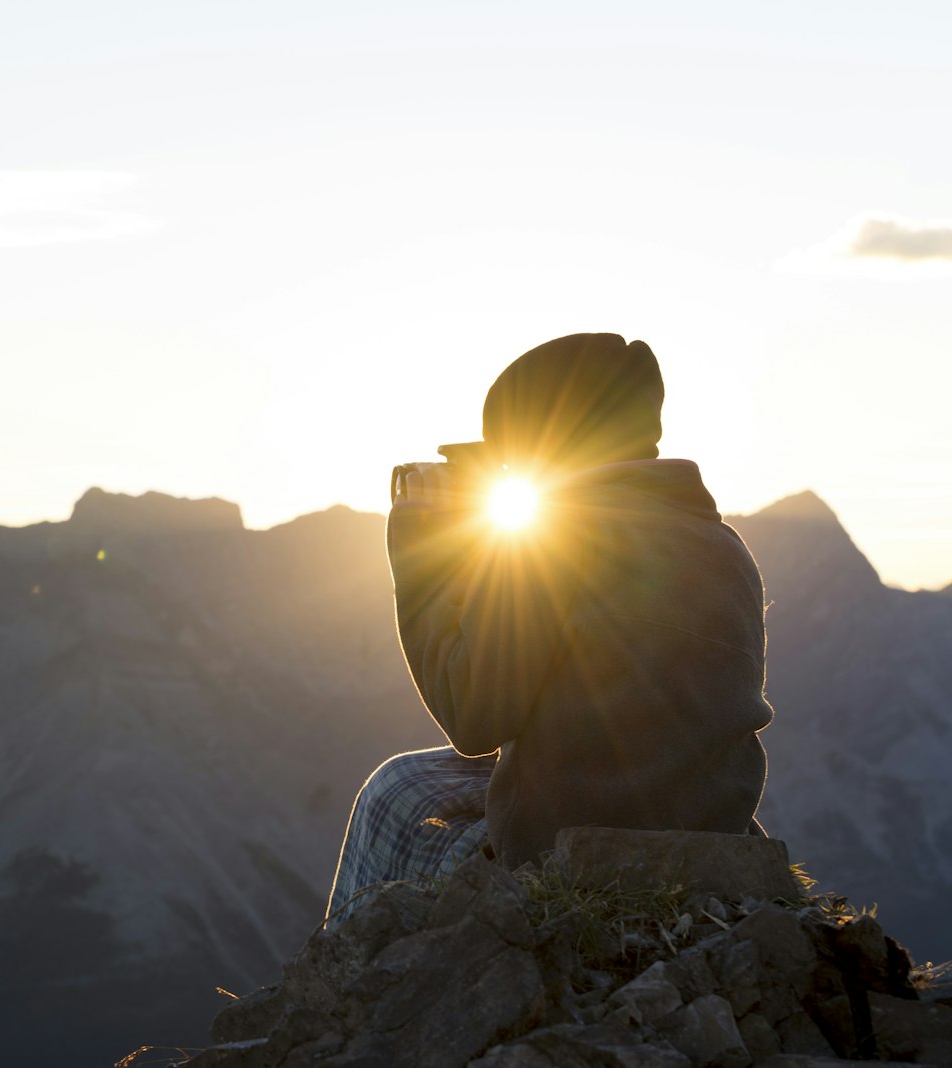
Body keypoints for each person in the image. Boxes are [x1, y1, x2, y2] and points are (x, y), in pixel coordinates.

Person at [326, 332, 773, 925]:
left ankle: (347, 990)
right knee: (423, 775)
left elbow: (473, 718)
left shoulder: (551, 543)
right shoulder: (724, 546)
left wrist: (419, 549)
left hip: (574, 850)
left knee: (398, 791)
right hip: (708, 837)